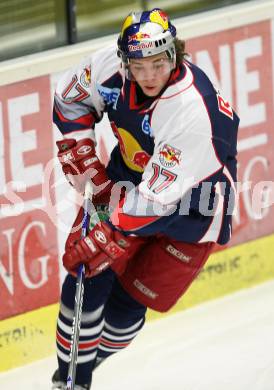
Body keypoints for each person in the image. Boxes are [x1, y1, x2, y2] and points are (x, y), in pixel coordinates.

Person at [52, 8, 239, 389]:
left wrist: (107, 229)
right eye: (139, 65)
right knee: (85, 280)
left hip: (193, 209)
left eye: (159, 62)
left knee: (126, 312)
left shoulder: (190, 109)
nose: (150, 74)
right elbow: (70, 99)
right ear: (125, 62)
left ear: (175, 54)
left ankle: (89, 361)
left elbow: (157, 201)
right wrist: (83, 156)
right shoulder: (108, 68)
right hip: (128, 183)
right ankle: (72, 380)